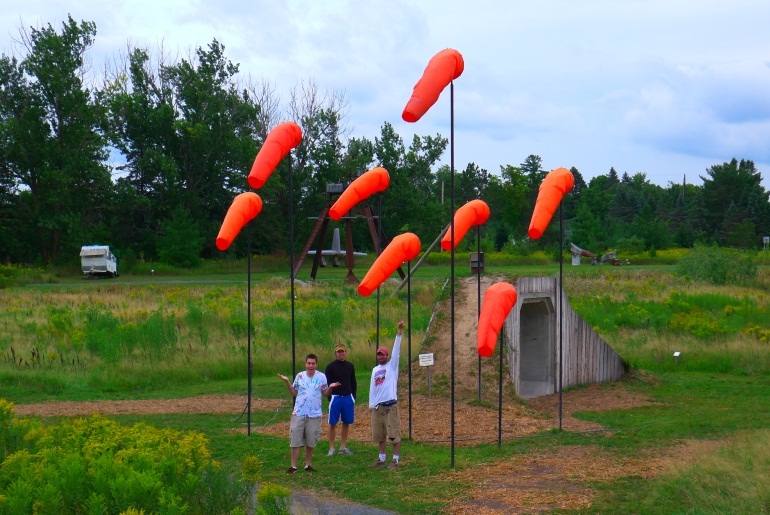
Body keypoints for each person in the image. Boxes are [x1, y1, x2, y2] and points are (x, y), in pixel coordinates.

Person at [278, 354, 340, 474]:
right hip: (299, 413)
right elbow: (293, 392)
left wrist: (331, 388)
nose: (310, 366)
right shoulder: (300, 376)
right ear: (305, 364)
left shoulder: (321, 377)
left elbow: (325, 393)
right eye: (308, 363)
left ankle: (308, 465)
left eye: (313, 363)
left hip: (314, 414)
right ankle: (293, 466)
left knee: (311, 441)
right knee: (295, 440)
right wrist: (287, 382)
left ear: (316, 365)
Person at [369, 319, 404, 469]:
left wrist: (399, 332)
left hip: (391, 405)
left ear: (387, 356)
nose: (381, 357)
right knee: (379, 434)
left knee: (393, 433)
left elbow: (397, 351)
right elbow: (372, 387)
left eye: (383, 355)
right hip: (379, 406)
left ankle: (395, 460)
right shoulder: (375, 370)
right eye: (379, 355)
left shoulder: (392, 366)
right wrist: (372, 403)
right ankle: (381, 458)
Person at [325, 343, 357, 456]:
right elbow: (327, 383)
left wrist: (353, 397)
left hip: (348, 397)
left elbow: (353, 382)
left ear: (345, 352)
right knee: (332, 423)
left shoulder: (350, 366)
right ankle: (332, 447)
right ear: (335, 353)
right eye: (339, 352)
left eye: (343, 351)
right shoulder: (330, 367)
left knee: (346, 422)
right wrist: (330, 397)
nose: (341, 353)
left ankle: (343, 447)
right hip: (336, 397)